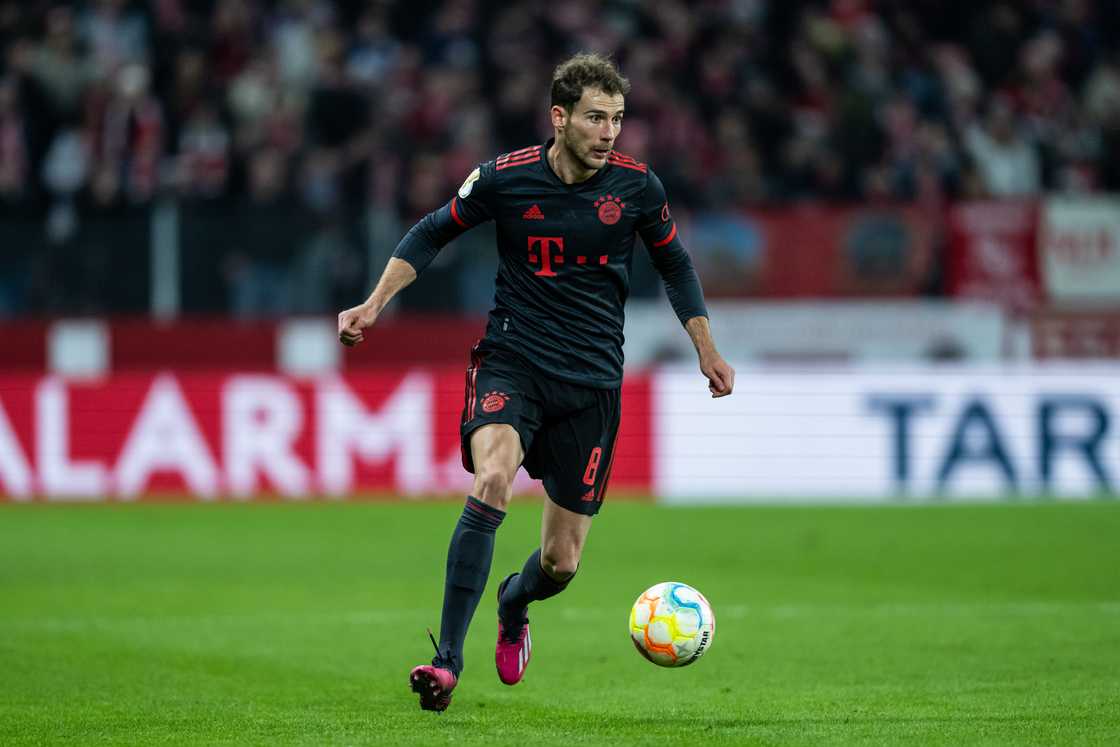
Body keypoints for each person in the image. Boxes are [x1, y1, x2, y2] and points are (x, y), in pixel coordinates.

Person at [337, 52, 735, 712]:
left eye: (617, 119)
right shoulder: (503, 179)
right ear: (560, 117)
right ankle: (447, 663)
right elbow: (431, 232)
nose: (609, 132)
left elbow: (676, 266)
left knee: (561, 562)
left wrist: (706, 348)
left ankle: (513, 604)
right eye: (595, 118)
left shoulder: (638, 188)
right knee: (491, 476)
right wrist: (373, 305)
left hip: (592, 384)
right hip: (512, 361)